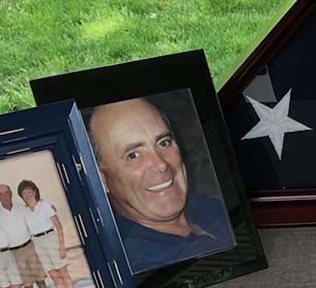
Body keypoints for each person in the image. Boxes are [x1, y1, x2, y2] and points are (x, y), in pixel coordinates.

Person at [84, 97, 235, 273]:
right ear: (101, 180)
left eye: (163, 143)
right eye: (133, 155)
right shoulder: (139, 265)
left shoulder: (210, 206)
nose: (160, 164)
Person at [18, 179, 78, 288]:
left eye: (29, 191)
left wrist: (62, 247)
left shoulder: (44, 205)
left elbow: (59, 226)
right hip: (37, 243)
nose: (27, 195)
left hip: (51, 239)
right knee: (54, 276)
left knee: (63, 273)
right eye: (23, 193)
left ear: (34, 191)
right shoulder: (24, 212)